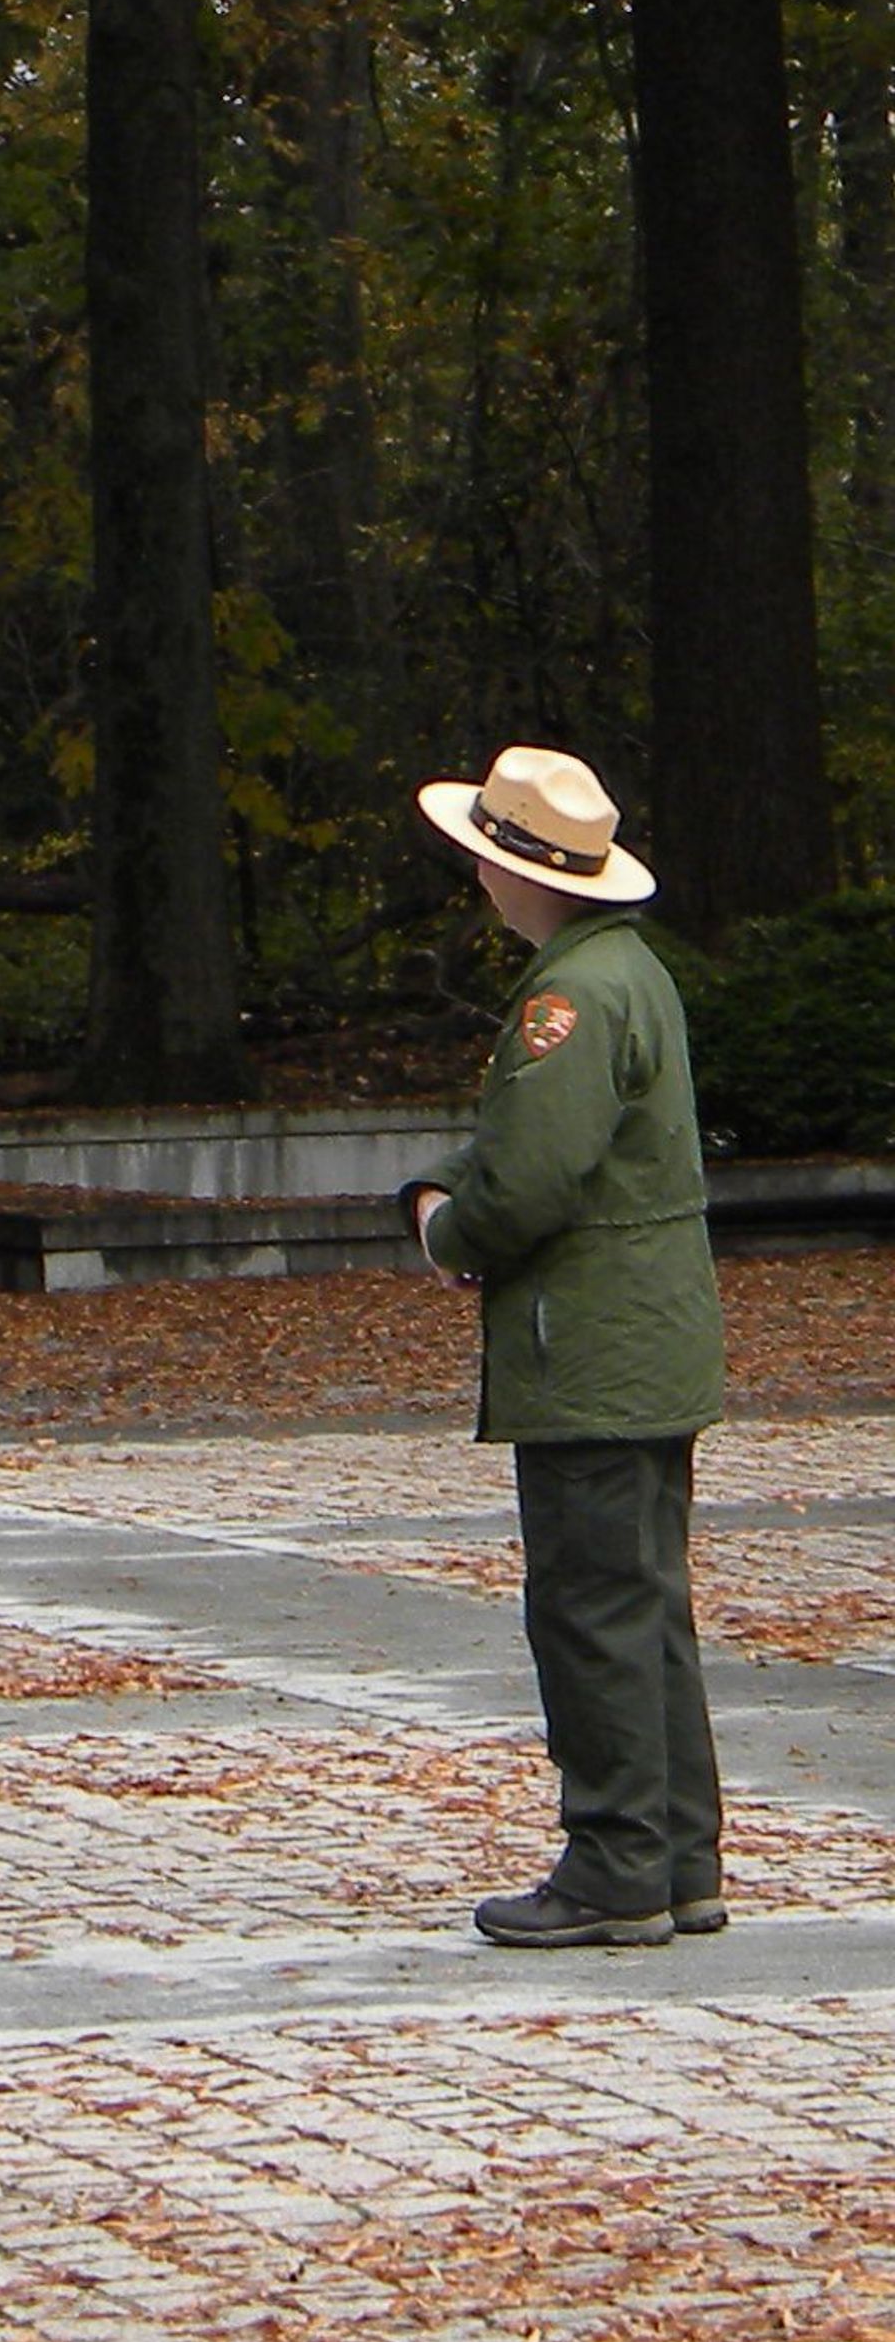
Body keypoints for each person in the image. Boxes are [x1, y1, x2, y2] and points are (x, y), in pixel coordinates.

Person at [404, 744, 728, 1952]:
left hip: (589, 1347)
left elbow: (534, 1174)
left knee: (590, 1607)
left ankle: (615, 1865)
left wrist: (450, 1228)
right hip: (652, 1338)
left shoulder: (568, 995)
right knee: (648, 1603)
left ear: (513, 874)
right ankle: (679, 1854)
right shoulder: (629, 971)